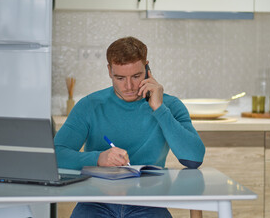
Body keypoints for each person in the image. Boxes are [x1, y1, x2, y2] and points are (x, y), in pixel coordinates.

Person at [54, 36, 205, 218]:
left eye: (136, 76)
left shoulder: (170, 106)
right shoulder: (90, 105)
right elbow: (55, 155)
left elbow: (193, 159)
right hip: (95, 203)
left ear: (147, 68)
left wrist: (159, 109)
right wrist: (98, 158)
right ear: (109, 71)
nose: (129, 86)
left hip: (149, 203)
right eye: (120, 78)